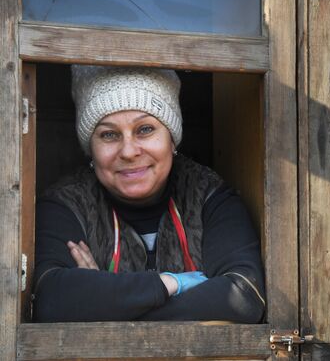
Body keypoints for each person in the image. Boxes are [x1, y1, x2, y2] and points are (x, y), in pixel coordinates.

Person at [33, 65, 266, 322]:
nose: (129, 151)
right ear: (91, 149)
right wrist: (170, 284)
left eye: (145, 129)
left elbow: (244, 296)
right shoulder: (66, 203)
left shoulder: (207, 194)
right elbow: (50, 300)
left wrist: (104, 300)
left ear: (172, 139)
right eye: (109, 134)